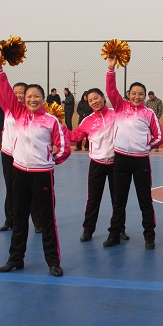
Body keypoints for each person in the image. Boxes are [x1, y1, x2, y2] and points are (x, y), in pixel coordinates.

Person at [0, 52, 71, 277]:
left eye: (37, 96)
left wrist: (49, 161)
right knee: (19, 218)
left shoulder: (51, 121)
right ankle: (15, 259)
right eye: (29, 96)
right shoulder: (18, 112)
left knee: (47, 219)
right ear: (24, 99)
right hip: (20, 173)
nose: (32, 99)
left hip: (43, 175)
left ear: (44, 99)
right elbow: (4, 91)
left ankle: (53, 261)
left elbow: (64, 148)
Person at [103, 55, 163, 250]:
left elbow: (159, 137)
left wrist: (146, 147)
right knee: (118, 200)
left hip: (141, 162)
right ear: (128, 94)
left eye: (141, 94)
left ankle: (149, 236)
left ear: (145, 96)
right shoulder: (120, 107)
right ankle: (114, 234)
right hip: (120, 159)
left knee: (144, 200)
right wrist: (111, 68)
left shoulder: (149, 113)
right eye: (134, 93)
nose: (137, 97)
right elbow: (111, 90)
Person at [65, 88, 128, 242]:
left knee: (117, 199)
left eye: (96, 98)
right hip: (97, 164)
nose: (94, 102)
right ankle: (88, 230)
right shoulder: (87, 120)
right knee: (93, 199)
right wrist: (60, 127)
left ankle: (120, 228)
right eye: (90, 100)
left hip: (116, 163)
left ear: (103, 97)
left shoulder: (116, 114)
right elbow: (75, 136)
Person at [0, 81, 27, 232]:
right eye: (15, 92)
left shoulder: (29, 110)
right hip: (8, 153)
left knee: (29, 189)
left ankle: (37, 222)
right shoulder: (7, 107)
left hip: (24, 154)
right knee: (10, 188)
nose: (18, 95)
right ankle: (10, 219)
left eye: (21, 92)